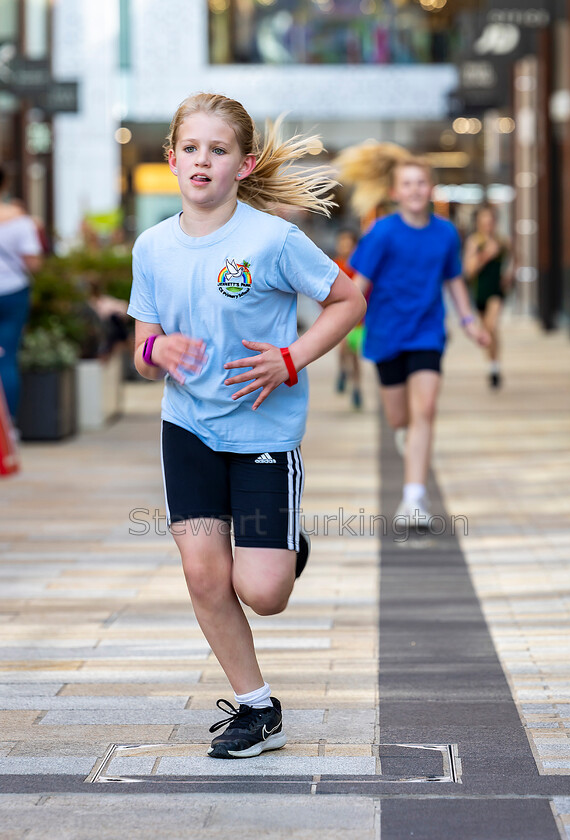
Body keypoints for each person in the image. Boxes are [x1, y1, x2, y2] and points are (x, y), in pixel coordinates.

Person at [127, 92, 365, 759]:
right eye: (192, 148)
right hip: (189, 428)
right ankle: (258, 708)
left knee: (263, 591)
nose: (203, 161)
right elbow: (142, 348)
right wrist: (157, 352)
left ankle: (283, 548)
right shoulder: (151, 248)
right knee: (204, 574)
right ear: (172, 158)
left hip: (263, 434)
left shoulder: (272, 239)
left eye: (219, 149)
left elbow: (348, 301)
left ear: (244, 162)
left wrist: (291, 358)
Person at [341, 151, 489, 526]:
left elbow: (453, 280)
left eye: (421, 182)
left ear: (431, 189)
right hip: (386, 334)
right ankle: (407, 439)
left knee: (425, 409)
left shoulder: (446, 233)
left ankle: (414, 499)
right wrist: (340, 322)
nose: (415, 190)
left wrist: (470, 320)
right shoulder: (382, 233)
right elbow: (359, 284)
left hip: (427, 333)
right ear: (394, 191)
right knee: (400, 418)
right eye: (407, 184)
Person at [0, 166, 43, 420]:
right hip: (13, 292)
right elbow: (33, 263)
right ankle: (7, 429)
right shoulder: (21, 221)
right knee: (6, 358)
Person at [463, 204, 514, 389]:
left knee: (491, 326)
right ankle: (493, 367)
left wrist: (510, 274)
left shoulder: (503, 241)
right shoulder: (475, 242)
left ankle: (495, 366)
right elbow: (468, 271)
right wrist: (485, 255)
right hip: (479, 292)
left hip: (496, 292)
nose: (488, 224)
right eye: (484, 220)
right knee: (487, 332)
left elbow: (514, 258)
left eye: (491, 220)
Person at [333, 228, 364, 408]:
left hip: (358, 320)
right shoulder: (335, 265)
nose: (344, 247)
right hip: (340, 317)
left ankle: (356, 388)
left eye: (348, 244)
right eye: (342, 243)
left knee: (354, 355)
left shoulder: (359, 266)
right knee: (343, 349)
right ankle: (343, 372)